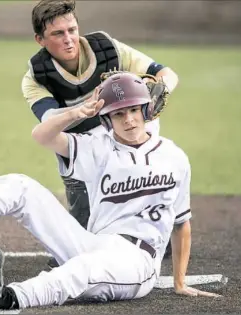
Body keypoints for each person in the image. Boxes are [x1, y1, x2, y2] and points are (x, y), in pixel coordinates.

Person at [0, 72, 220, 314]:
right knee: (23, 187)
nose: (128, 119)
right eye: (118, 114)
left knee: (79, 271)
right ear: (107, 119)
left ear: (145, 110)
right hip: (92, 243)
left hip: (138, 264)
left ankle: (5, 298)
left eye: (133, 111)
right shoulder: (98, 147)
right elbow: (41, 136)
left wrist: (180, 282)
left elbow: (182, 223)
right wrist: (78, 112)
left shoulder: (175, 157)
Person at [22, 0, 179, 266]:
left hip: (122, 131)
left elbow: (166, 73)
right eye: (58, 34)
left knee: (141, 163)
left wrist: (160, 89)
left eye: (72, 29)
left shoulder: (107, 49)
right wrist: (84, 109)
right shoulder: (36, 77)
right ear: (40, 39)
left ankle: (152, 233)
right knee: (80, 232)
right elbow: (49, 123)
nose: (69, 39)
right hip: (79, 142)